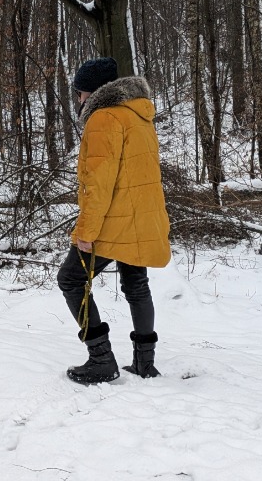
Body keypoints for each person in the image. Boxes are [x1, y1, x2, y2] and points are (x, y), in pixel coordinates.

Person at [57, 57, 171, 385]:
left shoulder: (103, 118)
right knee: (136, 283)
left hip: (113, 220)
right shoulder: (138, 115)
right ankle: (145, 364)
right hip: (141, 217)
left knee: (71, 279)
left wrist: (86, 230)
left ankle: (101, 359)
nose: (78, 99)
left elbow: (99, 183)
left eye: (80, 93)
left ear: (93, 92)